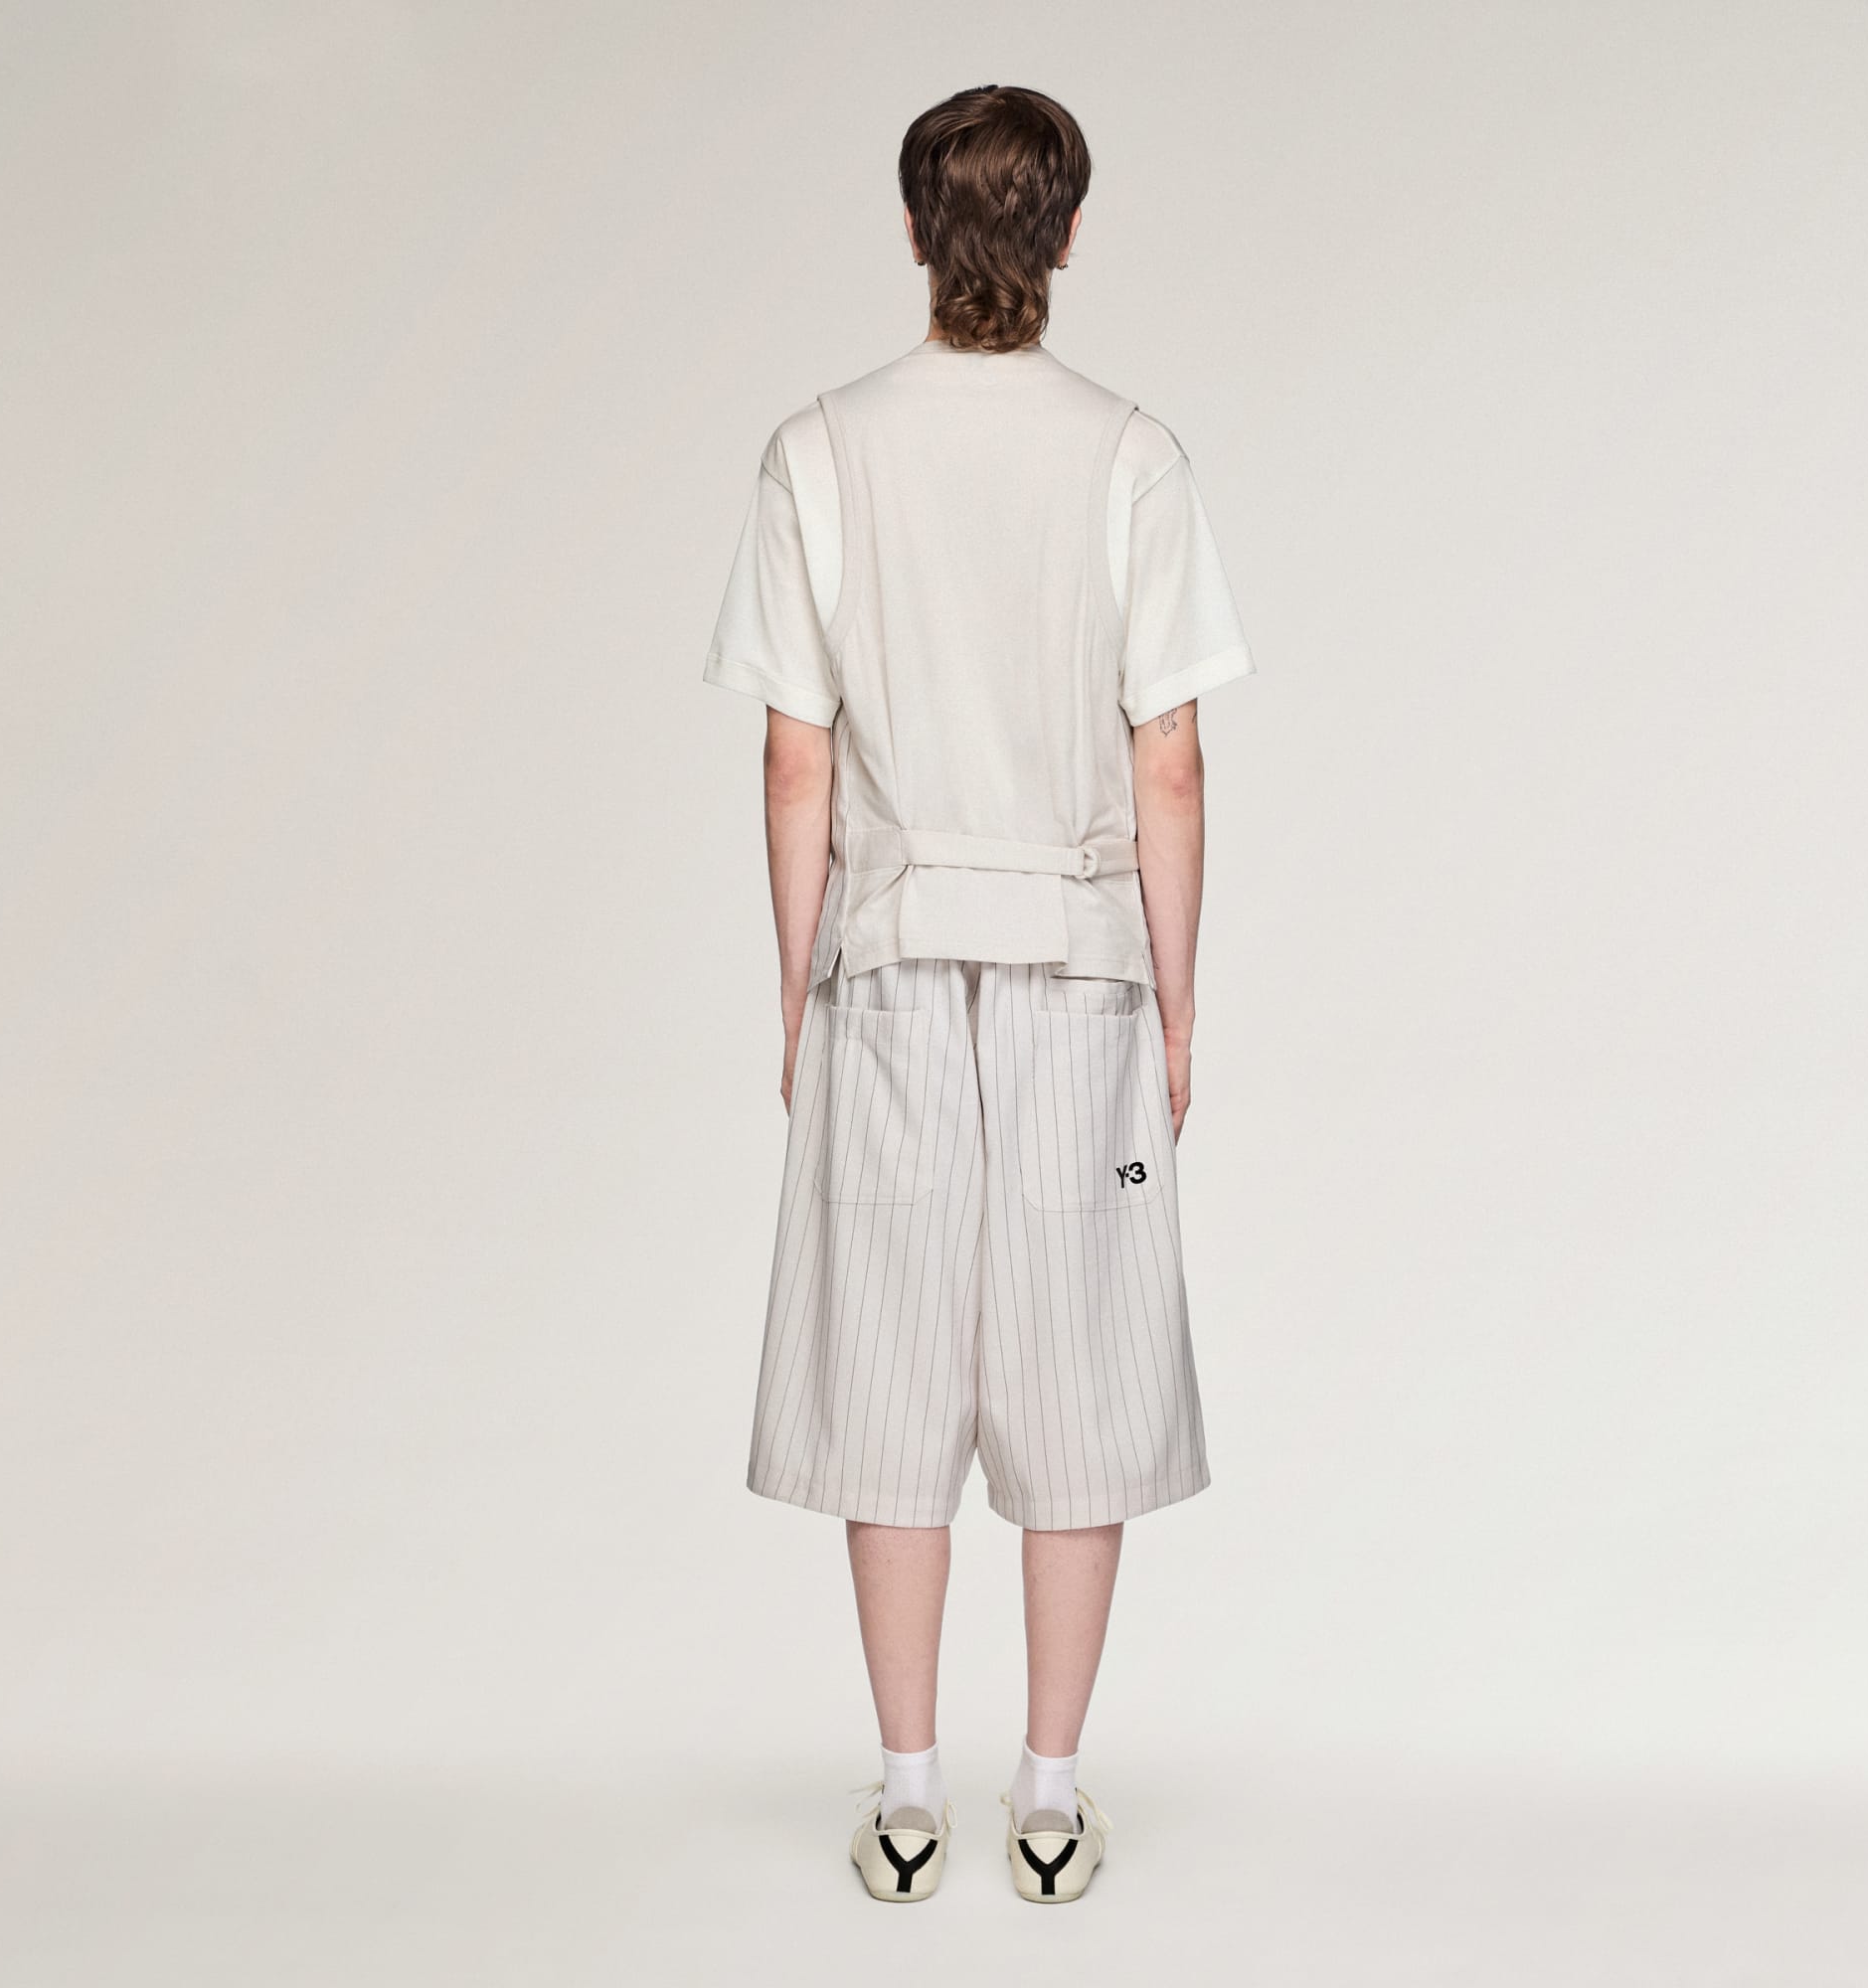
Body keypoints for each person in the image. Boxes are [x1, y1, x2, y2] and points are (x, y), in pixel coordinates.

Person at [703, 83, 1254, 1905]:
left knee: (891, 1370)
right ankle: (1053, 1794)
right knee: (1076, 1374)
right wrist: (1179, 1008)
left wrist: (800, 989)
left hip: (887, 960)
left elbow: (797, 756)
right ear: (1070, 234)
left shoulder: (818, 450)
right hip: (1081, 967)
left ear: (914, 233)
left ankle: (906, 1794)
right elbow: (1167, 756)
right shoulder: (1130, 456)